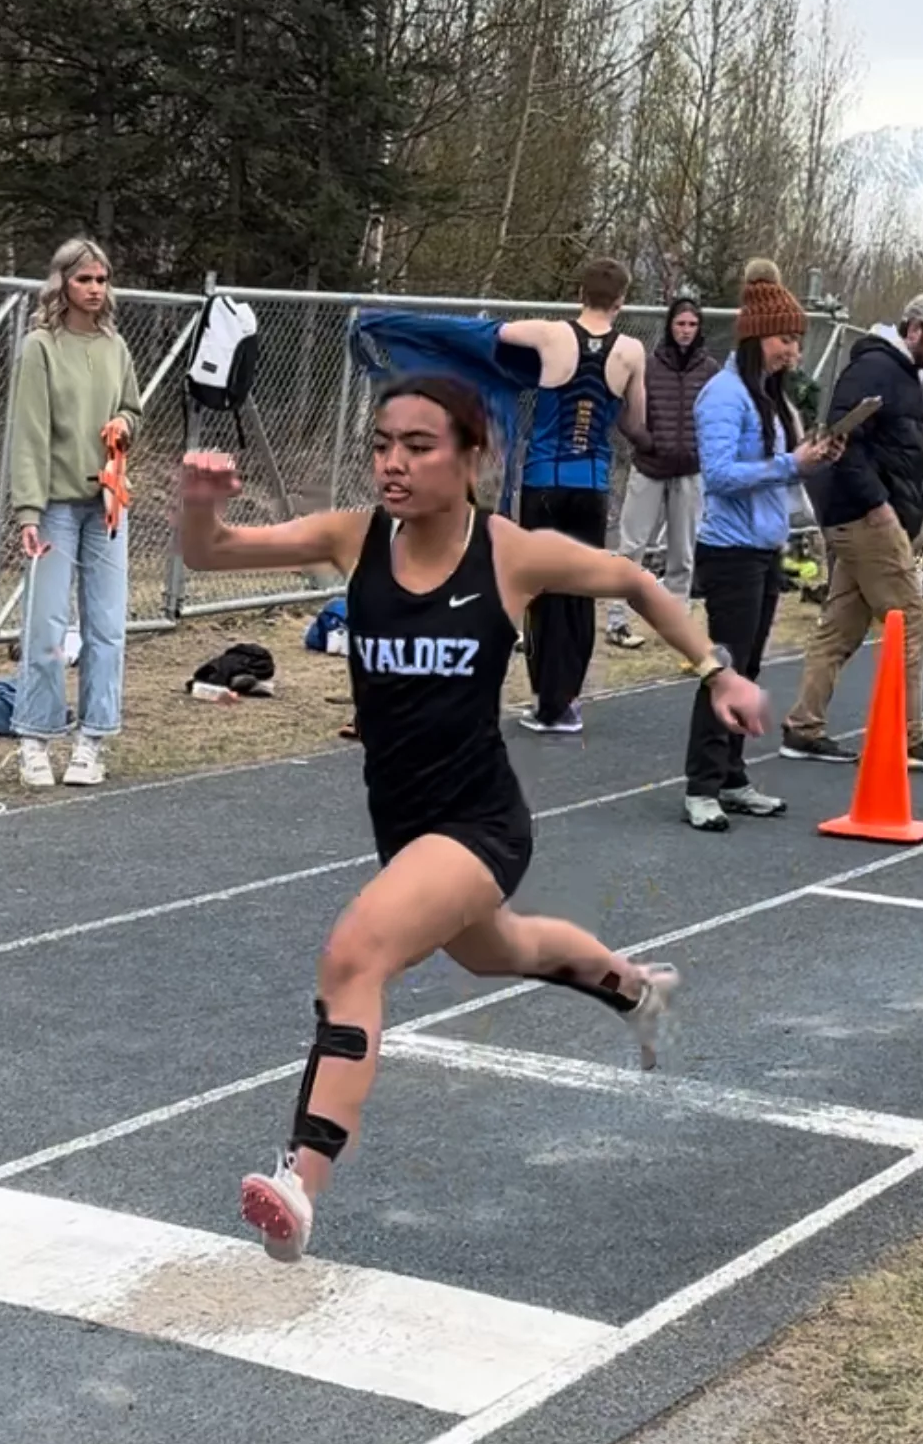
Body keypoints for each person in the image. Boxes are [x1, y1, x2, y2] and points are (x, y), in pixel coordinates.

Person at [178, 374, 769, 1263]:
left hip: (482, 821)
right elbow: (210, 553)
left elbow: (634, 581)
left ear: (471, 454)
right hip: (403, 823)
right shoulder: (354, 538)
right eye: (382, 445)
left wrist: (714, 670)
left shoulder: (511, 554)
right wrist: (196, 506)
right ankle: (640, 991)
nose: (394, 464)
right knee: (502, 949)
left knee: (354, 955)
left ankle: (300, 1180)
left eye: (419, 446)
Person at [780, 291, 923, 773]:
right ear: (915, 330)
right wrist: (879, 507)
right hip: (866, 518)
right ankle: (909, 737)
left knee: (841, 626)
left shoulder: (902, 375)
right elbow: (841, 441)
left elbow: (902, 442)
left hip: (860, 516)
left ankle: (803, 727)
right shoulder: (874, 370)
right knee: (910, 620)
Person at [682, 261, 841, 832]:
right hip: (729, 551)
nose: (793, 351)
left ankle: (732, 777)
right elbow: (720, 473)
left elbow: (779, 470)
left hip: (764, 546)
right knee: (722, 669)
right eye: (784, 339)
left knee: (746, 668)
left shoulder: (770, 397)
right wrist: (788, 464)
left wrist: (811, 460)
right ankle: (701, 785)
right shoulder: (724, 395)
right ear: (755, 338)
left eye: (797, 340)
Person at [496, 258, 650, 733]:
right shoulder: (632, 351)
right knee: (580, 588)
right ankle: (565, 704)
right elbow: (634, 421)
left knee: (541, 586)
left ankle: (547, 699)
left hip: (544, 482)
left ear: (579, 293)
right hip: (590, 484)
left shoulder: (550, 334)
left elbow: (497, 333)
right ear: (622, 299)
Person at [10, 236, 143, 789]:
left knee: (107, 628)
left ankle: (93, 739)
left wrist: (124, 424)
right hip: (56, 507)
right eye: (84, 279)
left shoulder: (115, 347)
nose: (94, 289)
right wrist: (28, 510)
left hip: (107, 505)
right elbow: (30, 435)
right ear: (62, 283)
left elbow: (132, 407)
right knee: (46, 626)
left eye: (102, 280)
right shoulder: (40, 347)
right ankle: (35, 738)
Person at [606, 294, 718, 648]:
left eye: (692, 324)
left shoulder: (710, 370)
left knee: (682, 552)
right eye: (680, 323)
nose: (685, 330)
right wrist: (646, 441)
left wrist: (701, 450)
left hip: (689, 471)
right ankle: (616, 621)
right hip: (650, 467)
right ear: (670, 326)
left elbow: (717, 420)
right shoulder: (649, 366)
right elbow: (624, 412)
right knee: (631, 546)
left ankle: (675, 623)